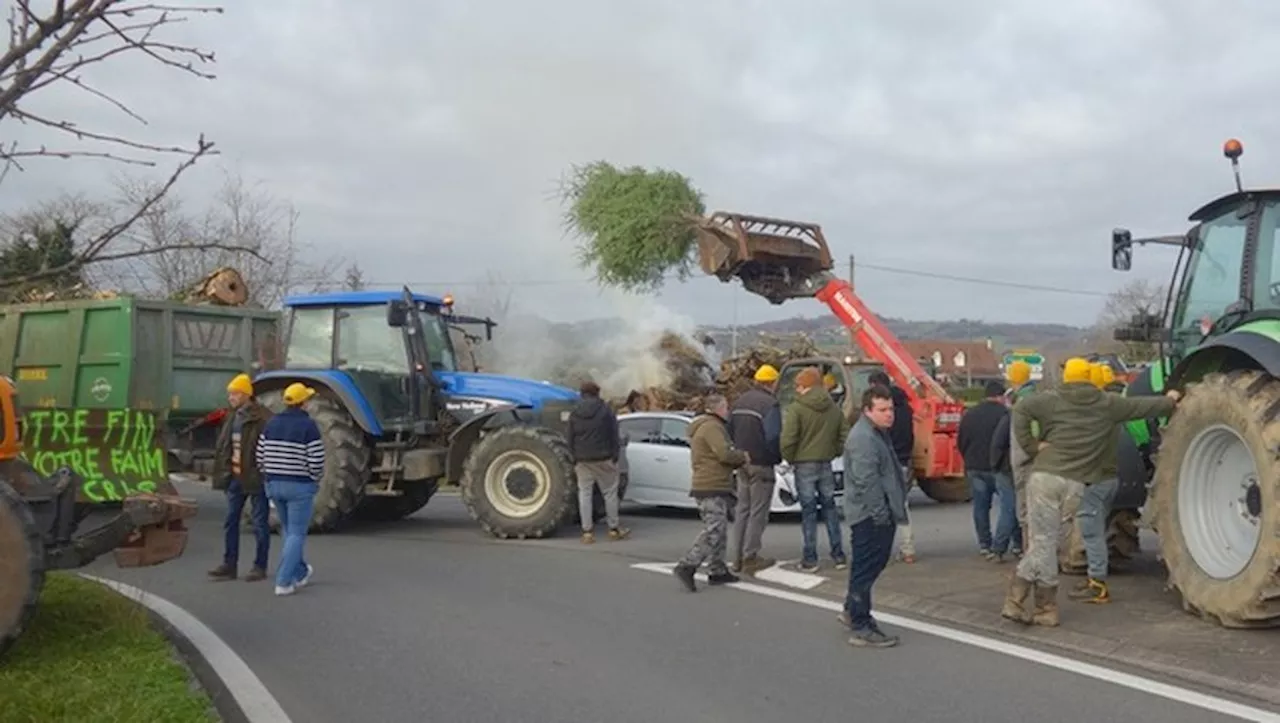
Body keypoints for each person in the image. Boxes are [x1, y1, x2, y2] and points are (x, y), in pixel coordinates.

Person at [1002, 358, 1179, 626]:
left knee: (1042, 544)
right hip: (1075, 485)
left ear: (1067, 377)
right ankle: (1042, 609)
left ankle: (1024, 604)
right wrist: (1171, 400)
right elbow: (1144, 407)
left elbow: (1022, 409)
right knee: (1051, 545)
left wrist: (1032, 446)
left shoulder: (1050, 399)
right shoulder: (1108, 404)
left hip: (1045, 479)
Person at [838, 385, 908, 648]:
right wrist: (881, 514)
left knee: (870, 565)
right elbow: (868, 481)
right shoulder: (864, 439)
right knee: (865, 568)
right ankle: (860, 623)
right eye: (883, 410)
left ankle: (852, 610)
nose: (889, 414)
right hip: (869, 515)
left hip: (877, 512)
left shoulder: (877, 433)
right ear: (868, 410)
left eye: (891, 409)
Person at [674, 395, 749, 592]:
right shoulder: (712, 427)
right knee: (714, 529)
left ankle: (717, 569)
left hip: (713, 482)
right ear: (716, 409)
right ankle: (687, 564)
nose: (728, 411)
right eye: (726, 407)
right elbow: (723, 453)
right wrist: (742, 456)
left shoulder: (707, 425)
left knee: (720, 529)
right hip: (711, 484)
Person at [257, 383, 326, 596]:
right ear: (303, 403)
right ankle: (283, 581)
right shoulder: (309, 427)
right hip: (299, 486)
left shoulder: (271, 424)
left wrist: (269, 478)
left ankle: (300, 571)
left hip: (274, 485)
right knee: (296, 533)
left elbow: (260, 456)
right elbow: (316, 460)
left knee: (289, 531)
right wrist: (314, 479)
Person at [781, 366, 849, 572]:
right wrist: (833, 452)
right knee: (830, 509)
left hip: (803, 464)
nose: (797, 389)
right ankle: (838, 555)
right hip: (825, 463)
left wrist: (790, 458)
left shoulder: (797, 408)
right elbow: (844, 436)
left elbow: (788, 439)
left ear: (805, 386)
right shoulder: (834, 408)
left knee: (809, 512)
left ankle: (810, 558)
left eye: (799, 386)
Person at [207, 373, 273, 582]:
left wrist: (262, 473)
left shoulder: (262, 418)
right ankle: (229, 564)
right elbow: (225, 447)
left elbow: (266, 449)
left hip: (255, 477)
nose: (231, 397)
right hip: (235, 477)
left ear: (245, 394)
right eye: (230, 394)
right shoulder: (232, 416)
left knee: (260, 523)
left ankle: (259, 566)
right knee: (230, 521)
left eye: (234, 393)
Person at [728, 364, 783, 574]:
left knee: (742, 509)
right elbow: (773, 436)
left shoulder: (739, 401)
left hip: (742, 462)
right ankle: (750, 556)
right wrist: (776, 457)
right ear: (772, 382)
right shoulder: (770, 404)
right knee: (758, 512)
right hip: (762, 463)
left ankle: (737, 558)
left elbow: (729, 429)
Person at [958, 380, 1020, 561]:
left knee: (981, 507)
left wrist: (968, 460)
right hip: (999, 468)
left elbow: (961, 441)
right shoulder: (1005, 414)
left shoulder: (970, 414)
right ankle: (1015, 543)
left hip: (974, 467)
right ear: (1001, 396)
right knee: (1009, 507)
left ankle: (984, 544)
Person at [566, 381, 629, 544]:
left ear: (582, 393)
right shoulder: (605, 410)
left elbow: (570, 436)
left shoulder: (574, 411)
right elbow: (613, 434)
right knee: (609, 493)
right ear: (597, 393)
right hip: (604, 457)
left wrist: (573, 457)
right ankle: (613, 529)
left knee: (584, 494)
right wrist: (615, 454)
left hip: (582, 459)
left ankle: (587, 532)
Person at [867, 370, 916, 562]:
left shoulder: (881, 412)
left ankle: (878, 549)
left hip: (886, 460)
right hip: (903, 460)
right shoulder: (905, 408)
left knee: (878, 507)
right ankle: (908, 549)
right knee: (901, 506)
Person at [1004, 360, 1038, 552]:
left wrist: (1022, 460)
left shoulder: (1023, 405)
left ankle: (1030, 556)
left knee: (1026, 513)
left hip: (1025, 464)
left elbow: (1027, 437)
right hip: (1033, 462)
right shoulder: (1034, 398)